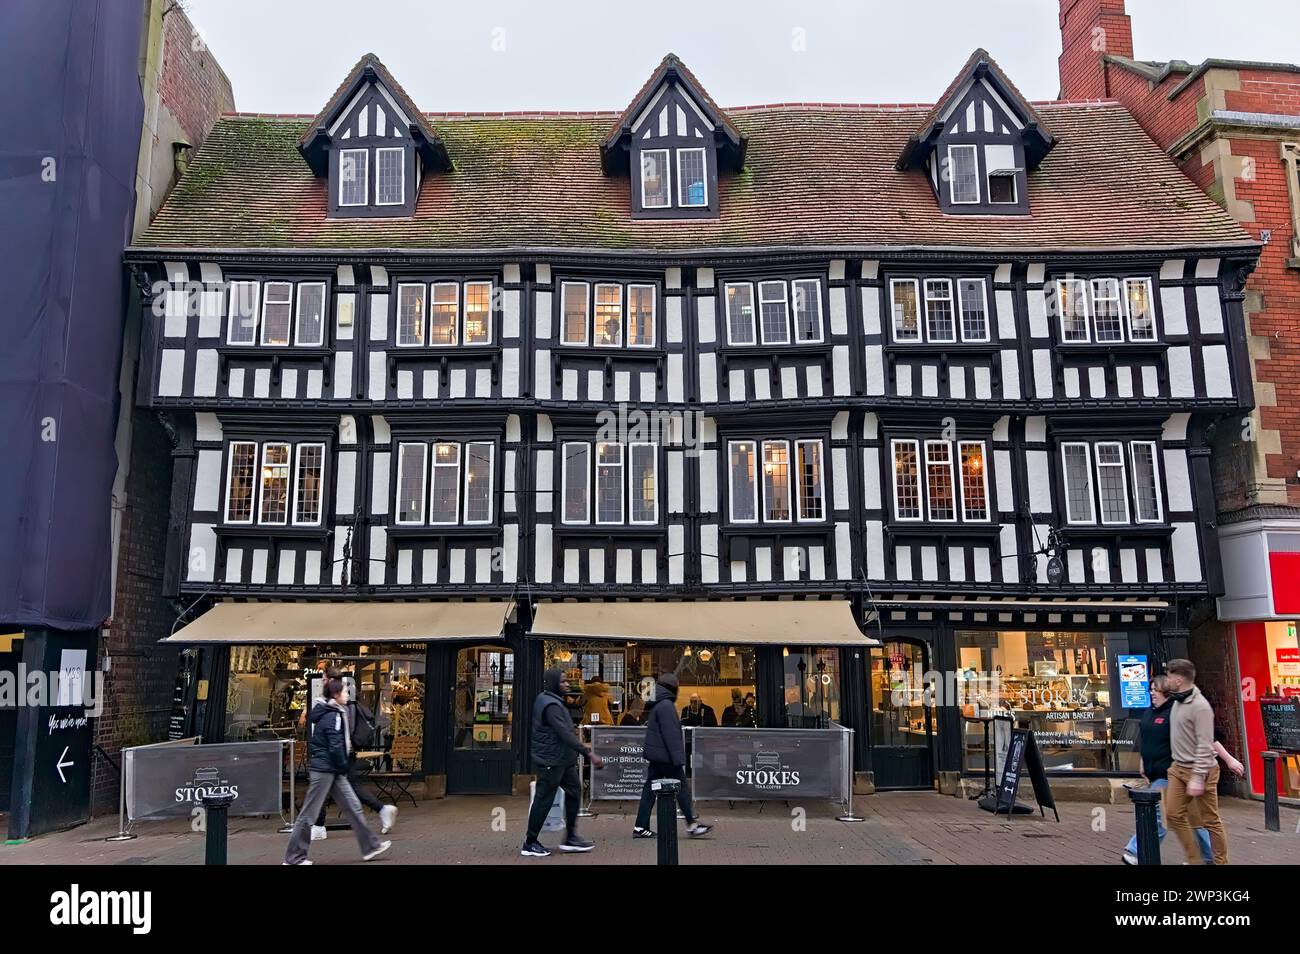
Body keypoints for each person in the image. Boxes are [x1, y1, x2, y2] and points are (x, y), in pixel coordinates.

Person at [284, 677, 391, 865]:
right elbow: (335, 746)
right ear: (335, 695)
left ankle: (370, 847)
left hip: (332, 768)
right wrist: (343, 765)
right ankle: (294, 858)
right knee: (309, 813)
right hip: (326, 770)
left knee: (353, 806)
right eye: (344, 691)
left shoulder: (332, 711)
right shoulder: (333, 716)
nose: (347, 694)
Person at [1122, 675, 1212, 864]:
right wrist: (1142, 762)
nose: (1151, 693)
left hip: (1173, 773)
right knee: (1192, 819)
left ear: (1165, 690)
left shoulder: (1176, 713)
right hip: (1156, 773)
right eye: (1150, 689)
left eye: (1155, 689)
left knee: (1158, 814)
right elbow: (1146, 741)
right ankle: (1206, 857)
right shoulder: (1149, 713)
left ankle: (1136, 850)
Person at [521, 669, 604, 858]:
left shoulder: (551, 700)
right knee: (544, 798)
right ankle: (530, 842)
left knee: (574, 790)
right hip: (551, 760)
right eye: (563, 682)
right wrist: (588, 752)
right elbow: (564, 733)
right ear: (553, 684)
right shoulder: (551, 705)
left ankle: (571, 837)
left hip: (562, 760)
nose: (567, 684)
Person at [1163, 659, 1228, 865]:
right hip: (1178, 768)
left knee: (1210, 821)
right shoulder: (1177, 701)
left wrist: (1198, 777)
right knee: (1173, 814)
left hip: (1201, 769)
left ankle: (1220, 862)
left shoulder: (1200, 707)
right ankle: (1195, 860)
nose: (1167, 679)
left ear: (1179, 679)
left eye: (1169, 676)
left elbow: (1205, 744)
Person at [633, 673, 714, 840]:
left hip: (657, 755)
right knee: (682, 788)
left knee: (649, 789)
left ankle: (640, 826)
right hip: (666, 756)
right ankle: (692, 824)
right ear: (673, 689)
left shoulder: (657, 704)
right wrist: (678, 759)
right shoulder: (666, 706)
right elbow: (671, 735)